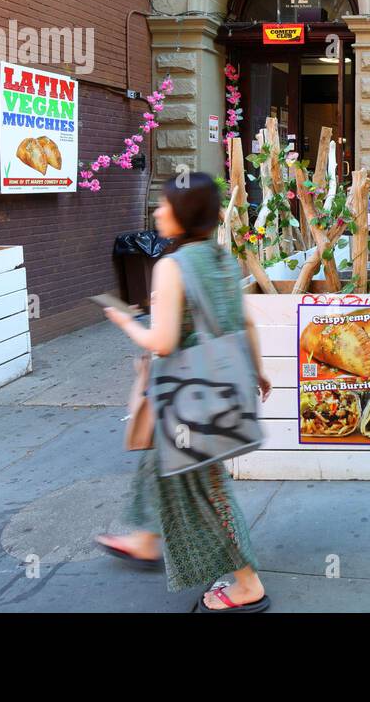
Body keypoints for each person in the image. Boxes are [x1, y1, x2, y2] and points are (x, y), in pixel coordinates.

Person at [95, 172, 271, 612]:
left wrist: (125, 322)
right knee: (164, 463)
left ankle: (248, 584)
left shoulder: (171, 266)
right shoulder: (221, 259)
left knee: (207, 488)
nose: (157, 211)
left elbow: (164, 342)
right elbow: (244, 320)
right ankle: (146, 538)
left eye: (165, 205)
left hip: (189, 397)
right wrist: (259, 371)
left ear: (183, 214)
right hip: (216, 387)